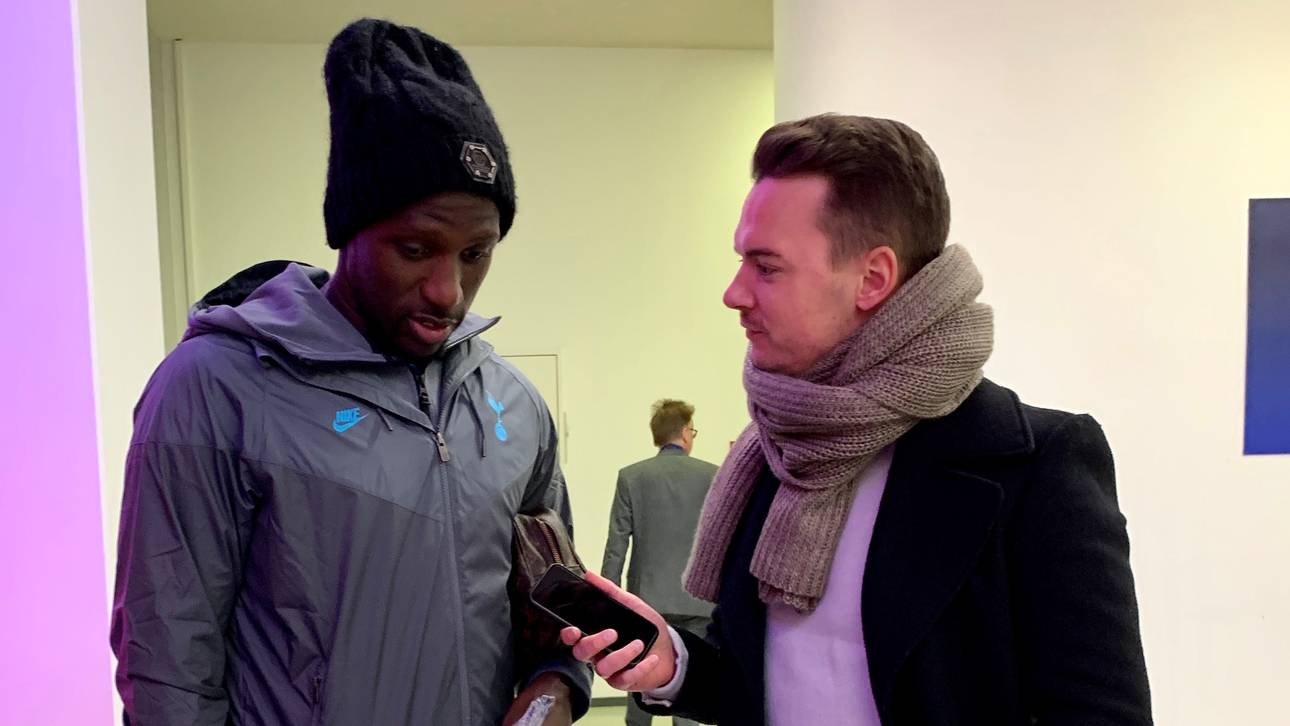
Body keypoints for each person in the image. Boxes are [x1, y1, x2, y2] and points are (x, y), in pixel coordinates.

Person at [562, 114, 1152, 725]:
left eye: (766, 267)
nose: (734, 293)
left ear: (872, 278)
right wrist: (676, 664)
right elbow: (763, 687)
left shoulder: (1036, 467)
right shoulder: (772, 454)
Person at [110, 19, 589, 725]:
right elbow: (167, 669)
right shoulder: (214, 388)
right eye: (417, 248)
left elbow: (559, 617)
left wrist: (559, 688)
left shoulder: (513, 406)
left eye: (475, 253)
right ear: (350, 232)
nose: (447, 290)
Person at [601, 400, 719, 726]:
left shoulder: (632, 477)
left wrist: (605, 603)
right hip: (698, 600)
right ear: (684, 432)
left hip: (645, 601)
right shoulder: (713, 475)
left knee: (639, 677)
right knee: (689, 684)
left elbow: (616, 546)